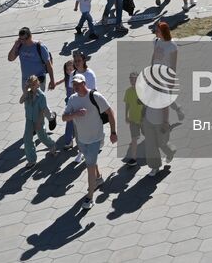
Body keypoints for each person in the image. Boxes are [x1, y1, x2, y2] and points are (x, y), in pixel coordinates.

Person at [62, 75, 119, 210]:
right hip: (81, 139)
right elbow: (64, 117)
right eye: (74, 84)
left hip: (95, 138)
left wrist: (113, 132)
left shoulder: (96, 96)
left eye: (78, 84)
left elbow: (110, 113)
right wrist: (75, 114)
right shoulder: (72, 99)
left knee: (89, 166)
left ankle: (89, 197)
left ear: (84, 83)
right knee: (90, 161)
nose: (76, 87)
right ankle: (98, 178)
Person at [20, 74, 58, 168]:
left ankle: (52, 145)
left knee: (42, 136)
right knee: (27, 139)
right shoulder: (28, 92)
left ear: (38, 84)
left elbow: (43, 110)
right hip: (29, 119)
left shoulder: (41, 96)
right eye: (30, 85)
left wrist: (39, 122)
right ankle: (32, 160)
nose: (32, 87)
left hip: (38, 119)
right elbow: (20, 101)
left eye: (34, 84)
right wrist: (25, 92)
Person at [7, 27, 55, 94]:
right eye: (21, 39)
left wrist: (52, 81)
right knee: (28, 102)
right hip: (26, 80)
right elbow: (10, 58)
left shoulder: (40, 47)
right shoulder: (20, 46)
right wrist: (15, 45)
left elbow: (48, 64)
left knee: (38, 101)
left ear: (30, 36)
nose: (23, 41)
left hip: (38, 80)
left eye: (25, 39)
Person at [122, 71, 145, 165]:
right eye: (131, 79)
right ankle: (133, 159)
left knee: (150, 137)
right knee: (134, 139)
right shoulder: (128, 91)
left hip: (144, 119)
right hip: (133, 119)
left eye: (134, 78)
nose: (132, 80)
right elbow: (127, 104)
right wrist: (126, 116)